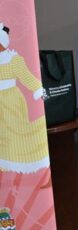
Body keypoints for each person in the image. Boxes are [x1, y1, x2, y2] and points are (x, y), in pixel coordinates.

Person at [0, 24, 49, 174]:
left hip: (11, 101)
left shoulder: (12, 60)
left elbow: (26, 77)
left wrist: (38, 89)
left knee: (15, 132)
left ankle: (16, 167)